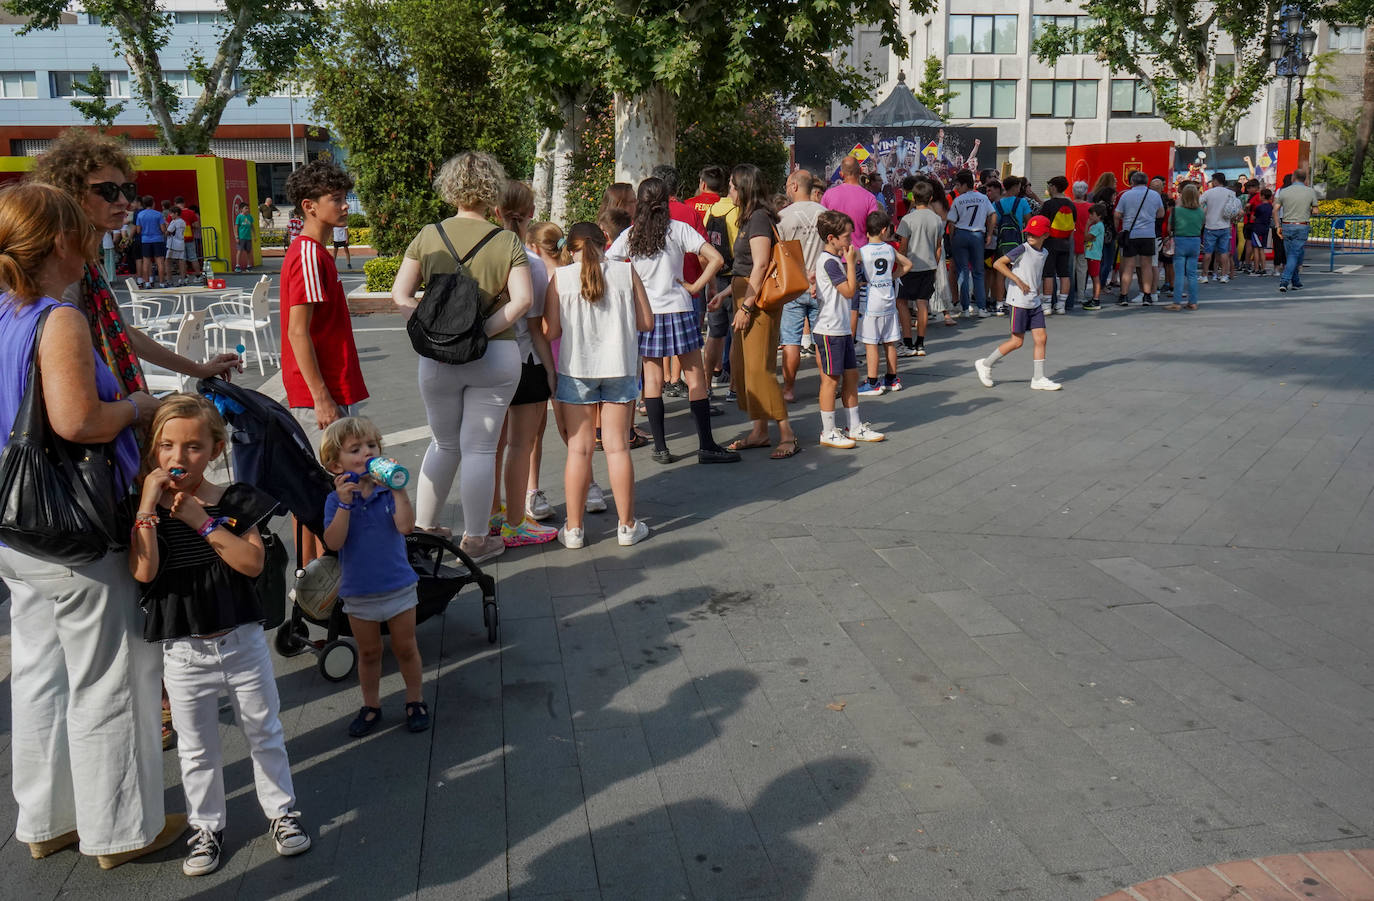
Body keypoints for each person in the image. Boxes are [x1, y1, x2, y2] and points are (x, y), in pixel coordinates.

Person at [0, 182, 183, 870]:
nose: (96, 244)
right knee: (110, 676)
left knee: (40, 672)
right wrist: (136, 406)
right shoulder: (58, 318)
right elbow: (78, 419)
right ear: (59, 243)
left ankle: (45, 817)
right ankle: (119, 827)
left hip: (17, 525)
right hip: (76, 524)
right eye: (84, 233)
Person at [131, 395, 310, 876]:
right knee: (196, 749)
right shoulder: (145, 511)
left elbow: (251, 562)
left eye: (192, 446)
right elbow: (144, 572)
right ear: (153, 451)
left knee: (264, 731)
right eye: (166, 446)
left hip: (241, 644)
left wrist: (201, 520)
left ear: (215, 449)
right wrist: (149, 506)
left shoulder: (236, 500)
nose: (177, 457)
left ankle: (281, 812)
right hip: (184, 652)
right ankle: (206, 826)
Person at [391, 151, 532, 562]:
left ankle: (425, 528)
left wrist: (435, 332)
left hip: (437, 359)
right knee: (481, 449)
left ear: (450, 187)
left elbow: (400, 295)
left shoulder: (428, 235)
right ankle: (475, 539)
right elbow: (522, 300)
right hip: (495, 355)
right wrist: (479, 333)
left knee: (443, 443)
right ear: (493, 190)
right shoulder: (506, 241)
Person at [28, 128, 240, 391]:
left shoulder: (87, 266)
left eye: (126, 189)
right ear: (71, 194)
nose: (123, 201)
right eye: (107, 191)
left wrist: (198, 369)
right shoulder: (61, 272)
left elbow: (122, 332)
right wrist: (134, 410)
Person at [610, 177, 736, 465]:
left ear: (640, 203)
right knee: (694, 378)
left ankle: (661, 448)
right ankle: (706, 445)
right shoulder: (678, 229)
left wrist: (630, 290)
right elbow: (715, 259)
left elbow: (608, 264)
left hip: (647, 313)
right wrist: (695, 286)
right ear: (666, 200)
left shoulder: (631, 234)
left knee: (652, 380)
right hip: (679, 309)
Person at [280, 160, 369, 564]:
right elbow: (299, 332)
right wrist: (321, 396)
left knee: (320, 488)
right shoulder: (309, 255)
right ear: (309, 206)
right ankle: (316, 580)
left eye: (345, 197)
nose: (346, 205)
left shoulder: (314, 252)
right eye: (337, 199)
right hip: (321, 390)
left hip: (326, 388)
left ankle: (316, 579)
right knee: (324, 489)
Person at [544, 222, 654, 548]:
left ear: (570, 248)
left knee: (579, 450)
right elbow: (646, 321)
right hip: (619, 367)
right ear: (605, 241)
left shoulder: (561, 279)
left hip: (576, 370)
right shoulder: (625, 272)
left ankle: (575, 529)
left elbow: (550, 331)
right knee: (618, 447)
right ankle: (627, 525)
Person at [320, 416, 429, 736]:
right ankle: (371, 704)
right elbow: (333, 542)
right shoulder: (334, 500)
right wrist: (344, 505)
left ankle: (415, 699)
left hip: (398, 586)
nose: (367, 452)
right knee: (369, 653)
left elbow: (406, 527)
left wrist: (399, 490)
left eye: (372, 445)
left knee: (406, 647)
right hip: (359, 592)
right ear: (336, 466)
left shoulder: (387, 493)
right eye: (356, 449)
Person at [489, 181, 558, 546]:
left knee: (491, 445)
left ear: (495, 211)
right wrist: (550, 370)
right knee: (520, 445)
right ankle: (516, 523)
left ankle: (491, 515)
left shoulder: (483, 254)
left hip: (486, 361)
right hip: (525, 362)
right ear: (531, 214)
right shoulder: (531, 263)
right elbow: (536, 327)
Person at [716, 164, 800, 459]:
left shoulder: (759, 219)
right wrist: (728, 293)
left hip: (757, 301)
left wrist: (746, 306)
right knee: (744, 368)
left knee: (758, 369)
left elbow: (762, 265)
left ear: (744, 189)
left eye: (731, 186)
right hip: (745, 294)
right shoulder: (750, 218)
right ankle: (760, 430)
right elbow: (747, 267)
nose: (728, 191)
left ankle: (786, 432)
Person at [813, 210, 885, 448]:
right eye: (846, 237)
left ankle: (853, 425)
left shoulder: (831, 261)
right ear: (831, 237)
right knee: (831, 381)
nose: (850, 241)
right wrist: (851, 264)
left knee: (851, 377)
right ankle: (828, 430)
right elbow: (849, 291)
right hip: (829, 329)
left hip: (841, 328)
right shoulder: (829, 262)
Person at [974, 215, 1061, 391]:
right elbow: (999, 264)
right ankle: (986, 363)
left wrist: (1039, 291)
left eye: (1035, 234)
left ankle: (1038, 378)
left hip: (1033, 300)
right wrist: (1018, 280)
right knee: (1017, 341)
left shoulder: (1044, 253)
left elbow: (1036, 274)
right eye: (1029, 232)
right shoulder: (1022, 248)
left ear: (1045, 235)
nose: (1030, 236)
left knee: (1041, 338)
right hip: (1018, 300)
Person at [777, 168, 827, 402]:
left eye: (788, 185)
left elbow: (778, 254)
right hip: (822, 285)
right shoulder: (825, 214)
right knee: (822, 339)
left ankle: (788, 389)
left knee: (790, 340)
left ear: (795, 186)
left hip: (793, 285)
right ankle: (827, 384)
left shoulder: (783, 217)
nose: (786, 189)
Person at [856, 209, 911, 395]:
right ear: (883, 230)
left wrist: (858, 281)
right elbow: (908, 264)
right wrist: (893, 276)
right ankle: (891, 378)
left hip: (871, 302)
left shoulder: (862, 252)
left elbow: (848, 264)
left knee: (871, 343)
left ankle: (872, 382)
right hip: (888, 300)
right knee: (890, 341)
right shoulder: (889, 249)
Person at [695, 166, 739, 391]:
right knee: (736, 333)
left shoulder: (711, 210)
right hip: (735, 277)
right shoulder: (737, 209)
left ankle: (706, 385)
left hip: (716, 277)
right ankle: (733, 386)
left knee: (715, 332)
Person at [896, 181, 944, 355]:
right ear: (930, 198)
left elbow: (902, 246)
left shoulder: (907, 219)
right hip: (929, 266)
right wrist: (935, 264)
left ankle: (908, 341)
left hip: (910, 266)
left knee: (901, 302)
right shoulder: (937, 219)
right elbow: (939, 246)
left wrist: (899, 267)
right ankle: (921, 343)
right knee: (922, 303)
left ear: (913, 198)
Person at [946, 170, 997, 317]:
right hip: (977, 235)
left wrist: (952, 239)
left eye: (957, 185)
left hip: (961, 235)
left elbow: (951, 223)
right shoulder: (983, 198)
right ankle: (981, 308)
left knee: (963, 271)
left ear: (963, 184)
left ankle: (965, 308)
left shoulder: (958, 200)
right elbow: (992, 215)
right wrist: (989, 233)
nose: (956, 188)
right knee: (978, 272)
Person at [1113, 171, 1164, 306]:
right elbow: (1161, 213)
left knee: (1128, 267)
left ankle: (1124, 296)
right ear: (1146, 182)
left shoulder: (1126, 195)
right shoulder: (1154, 195)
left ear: (1132, 182)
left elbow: (1117, 214)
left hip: (1130, 234)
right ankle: (1147, 296)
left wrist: (1118, 226)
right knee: (1147, 265)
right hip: (1148, 234)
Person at [990, 175, 1031, 315]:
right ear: (1015, 187)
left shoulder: (996, 205)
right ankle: (1018, 301)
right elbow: (1029, 222)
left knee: (1000, 273)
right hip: (1017, 242)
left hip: (1002, 242)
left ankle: (999, 304)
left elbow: (993, 224)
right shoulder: (1022, 202)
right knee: (1019, 271)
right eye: (1019, 187)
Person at [1275, 168, 1318, 293]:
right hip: (1302, 225)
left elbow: (1275, 209)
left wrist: (1278, 225)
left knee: (1291, 255)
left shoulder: (1284, 191)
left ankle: (1296, 282)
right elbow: (1315, 211)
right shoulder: (1310, 191)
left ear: (1293, 177)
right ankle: (1284, 281)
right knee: (1294, 254)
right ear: (1305, 179)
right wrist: (1307, 210)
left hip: (1287, 225)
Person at [1038, 176, 1076, 315]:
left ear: (1053, 187)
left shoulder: (1048, 205)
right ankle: (1061, 305)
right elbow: (1073, 225)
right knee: (1064, 274)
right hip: (1066, 242)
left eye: (1049, 185)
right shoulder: (1071, 204)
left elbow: (1043, 224)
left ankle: (1047, 305)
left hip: (1050, 242)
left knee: (1048, 273)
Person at [821, 156, 878, 248]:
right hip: (860, 255)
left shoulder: (828, 195)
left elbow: (822, 226)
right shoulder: (870, 198)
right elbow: (874, 229)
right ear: (860, 171)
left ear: (841, 174)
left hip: (835, 255)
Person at [1166, 184, 1203, 311]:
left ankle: (1176, 302)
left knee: (1179, 274)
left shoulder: (1177, 210)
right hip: (1195, 241)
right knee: (1192, 274)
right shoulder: (1200, 211)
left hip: (1180, 241)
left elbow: (1169, 228)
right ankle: (1193, 302)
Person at [1200, 173, 1235, 285]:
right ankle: (1224, 275)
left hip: (1210, 225)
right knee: (1224, 252)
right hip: (1225, 226)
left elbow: (1199, 204)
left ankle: (1204, 275)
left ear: (1215, 180)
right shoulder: (1230, 193)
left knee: (1208, 252)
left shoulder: (1208, 193)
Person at [1070, 181, 1093, 311]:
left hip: (1071, 240)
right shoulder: (1091, 207)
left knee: (1070, 269)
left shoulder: (1069, 205)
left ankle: (1069, 293)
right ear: (1085, 192)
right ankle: (1081, 294)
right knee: (1082, 269)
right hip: (1086, 241)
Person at [136, 193, 167, 287]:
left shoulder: (140, 215)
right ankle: (162, 283)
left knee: (146, 262)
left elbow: (138, 230)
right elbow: (163, 229)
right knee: (160, 262)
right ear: (153, 203)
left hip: (145, 240)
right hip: (158, 239)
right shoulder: (158, 214)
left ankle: (147, 283)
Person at [1082, 203, 1107, 309]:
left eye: (1092, 214)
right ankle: (1094, 298)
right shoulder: (1097, 226)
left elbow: (1087, 237)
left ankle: (1096, 299)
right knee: (1093, 277)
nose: (1090, 217)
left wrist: (1087, 225)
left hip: (1094, 255)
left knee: (1095, 277)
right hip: (1092, 254)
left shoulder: (1097, 226)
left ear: (1099, 216)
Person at [1248, 188, 1274, 277]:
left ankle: (1256, 268)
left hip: (1257, 228)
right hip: (1266, 228)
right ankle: (1263, 268)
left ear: (1262, 196)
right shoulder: (1271, 207)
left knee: (1256, 249)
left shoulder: (1259, 207)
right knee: (1262, 249)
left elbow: (1253, 218)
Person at [166, 203, 187, 285]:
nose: (170, 215)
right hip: (181, 243)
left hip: (173, 244)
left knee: (167, 261)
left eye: (171, 213)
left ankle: (169, 280)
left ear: (176, 213)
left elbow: (168, 232)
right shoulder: (183, 222)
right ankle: (183, 279)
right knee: (181, 262)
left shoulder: (174, 222)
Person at [234, 202, 254, 272]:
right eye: (246, 208)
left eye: (248, 208)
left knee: (248, 252)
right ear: (241, 209)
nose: (247, 209)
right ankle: (237, 266)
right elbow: (236, 227)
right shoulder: (239, 217)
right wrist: (237, 237)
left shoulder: (250, 217)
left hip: (248, 237)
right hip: (241, 237)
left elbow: (252, 226)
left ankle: (248, 266)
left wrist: (254, 236)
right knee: (239, 251)